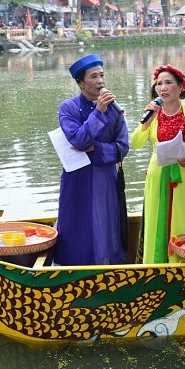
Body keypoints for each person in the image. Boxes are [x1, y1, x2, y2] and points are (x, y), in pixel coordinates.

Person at [130, 64, 185, 264]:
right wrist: (146, 123)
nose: (163, 88)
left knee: (180, 219)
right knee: (155, 218)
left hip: (183, 172)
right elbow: (135, 143)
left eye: (168, 83)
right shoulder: (152, 114)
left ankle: (178, 265)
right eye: (159, 84)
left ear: (181, 87)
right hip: (157, 173)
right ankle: (153, 264)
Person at [54, 54, 130, 265]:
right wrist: (98, 112)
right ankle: (71, 271)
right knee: (75, 224)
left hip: (105, 178)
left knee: (105, 224)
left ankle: (108, 270)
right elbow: (78, 140)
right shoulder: (67, 108)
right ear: (80, 83)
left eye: (102, 76)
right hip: (76, 179)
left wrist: (95, 149)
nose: (100, 81)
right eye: (94, 77)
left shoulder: (116, 109)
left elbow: (123, 148)